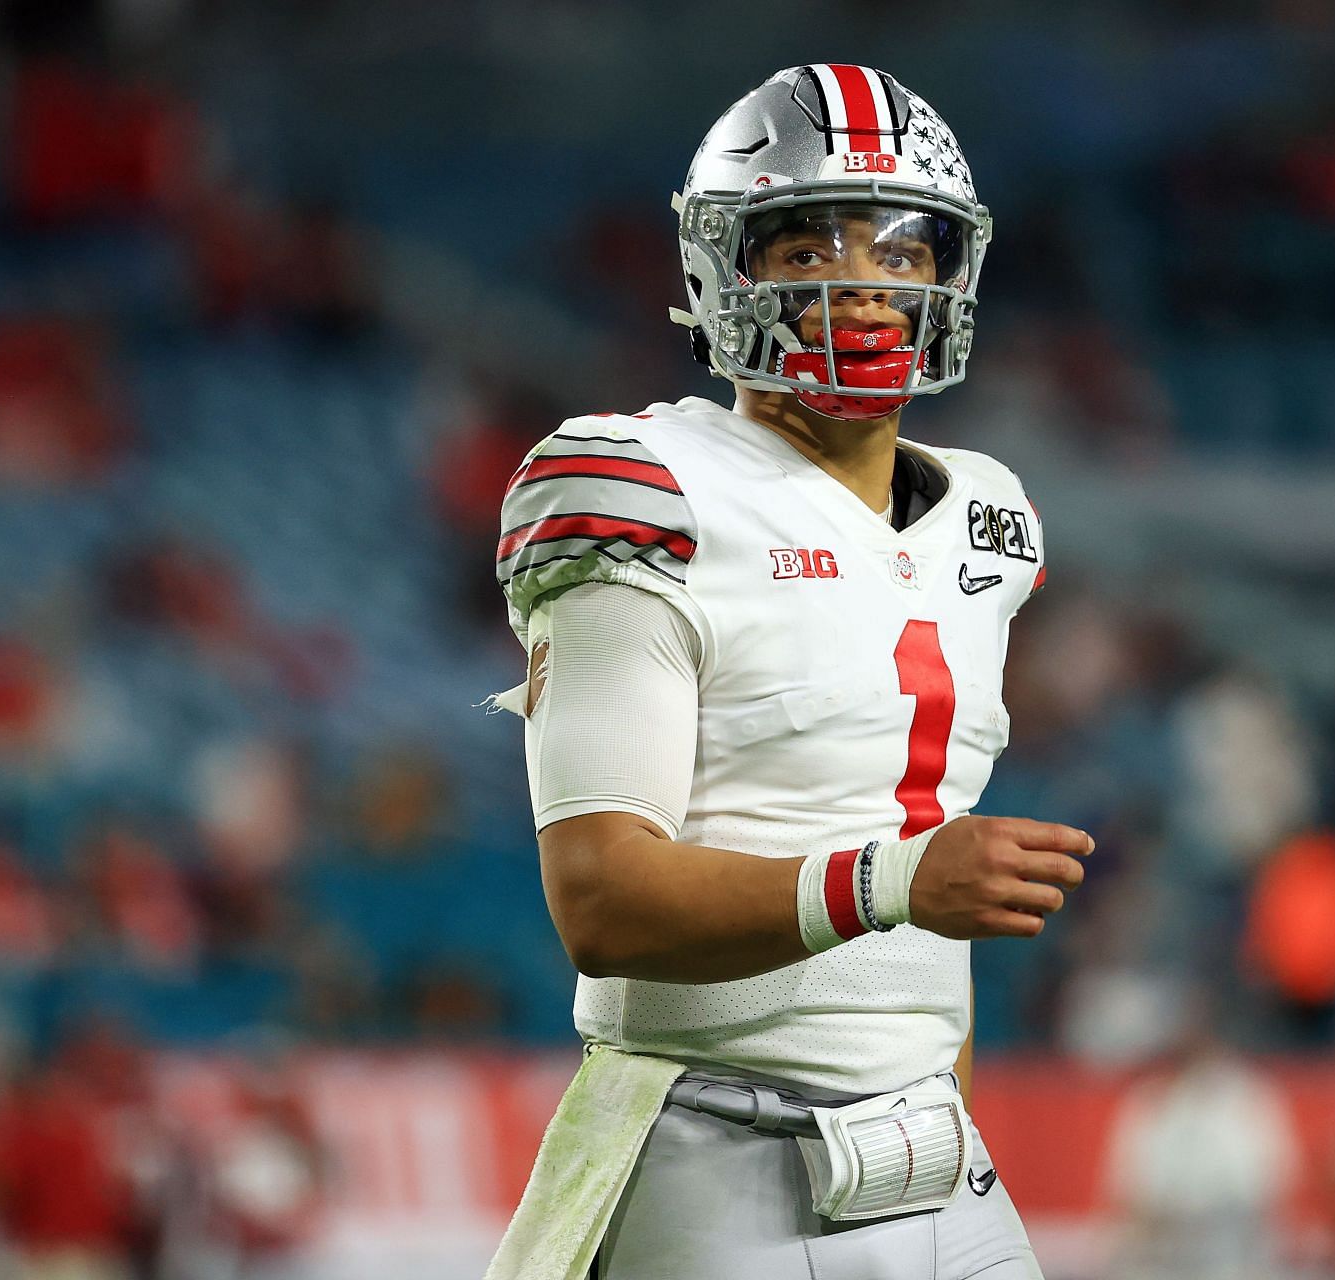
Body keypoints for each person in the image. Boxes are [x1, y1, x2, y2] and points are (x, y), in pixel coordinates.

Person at [486, 66, 1093, 1279]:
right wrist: (891, 883)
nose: (865, 277)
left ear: (951, 274)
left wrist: (937, 1074)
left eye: (904, 243)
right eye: (808, 237)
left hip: (937, 1160)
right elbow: (602, 902)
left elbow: (929, 911)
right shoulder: (645, 486)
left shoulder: (988, 519)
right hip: (717, 1149)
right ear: (723, 266)